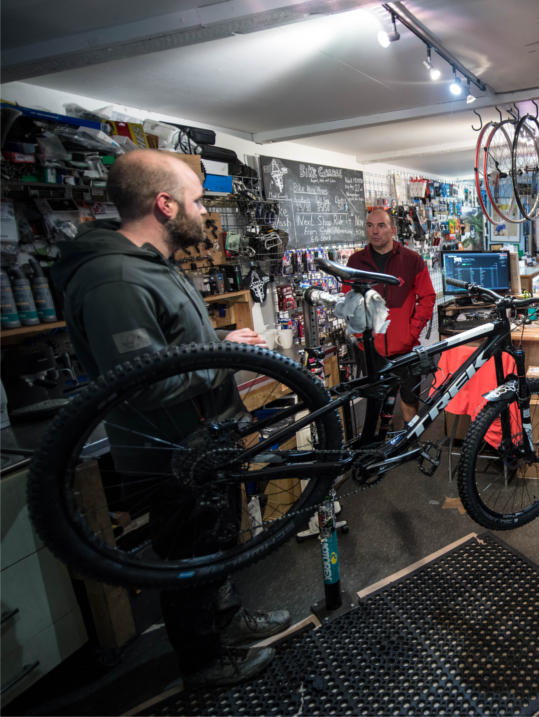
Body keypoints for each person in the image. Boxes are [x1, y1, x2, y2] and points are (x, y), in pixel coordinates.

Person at [50, 150, 291, 688]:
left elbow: (173, 347)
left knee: (219, 543)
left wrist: (219, 341)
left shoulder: (154, 265)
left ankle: (227, 623)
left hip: (208, 439)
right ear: (165, 204)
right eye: (198, 200)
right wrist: (223, 361)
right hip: (174, 454)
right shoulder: (114, 280)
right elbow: (145, 381)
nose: (205, 212)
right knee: (190, 559)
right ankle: (202, 661)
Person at [344, 208, 436, 424]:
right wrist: (360, 336)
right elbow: (348, 302)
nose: (374, 231)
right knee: (376, 400)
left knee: (409, 398)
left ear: (393, 230)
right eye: (370, 225)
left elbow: (427, 297)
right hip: (369, 348)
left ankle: (409, 440)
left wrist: (412, 331)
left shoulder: (412, 260)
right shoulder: (355, 262)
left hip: (405, 347)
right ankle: (378, 448)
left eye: (381, 226)